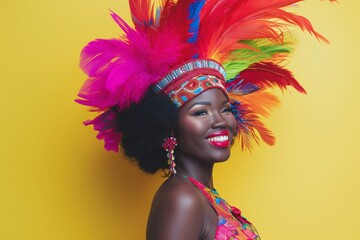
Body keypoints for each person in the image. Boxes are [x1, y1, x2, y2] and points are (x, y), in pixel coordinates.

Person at [76, 0, 330, 239]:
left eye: (226, 109)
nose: (220, 121)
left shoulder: (205, 198)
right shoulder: (181, 197)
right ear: (168, 127)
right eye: (200, 112)